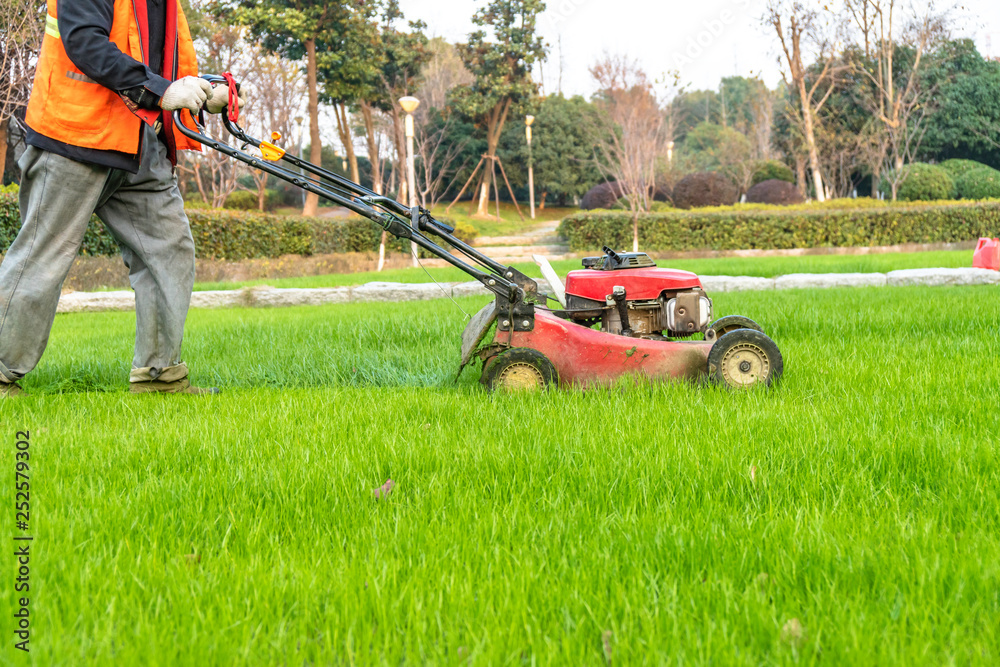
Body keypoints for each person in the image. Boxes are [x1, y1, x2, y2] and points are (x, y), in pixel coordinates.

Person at [0, 0, 243, 397]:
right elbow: (85, 44)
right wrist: (164, 90)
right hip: (75, 139)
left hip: (142, 140)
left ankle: (159, 376)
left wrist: (203, 90)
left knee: (169, 249)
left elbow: (156, 57)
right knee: (41, 256)